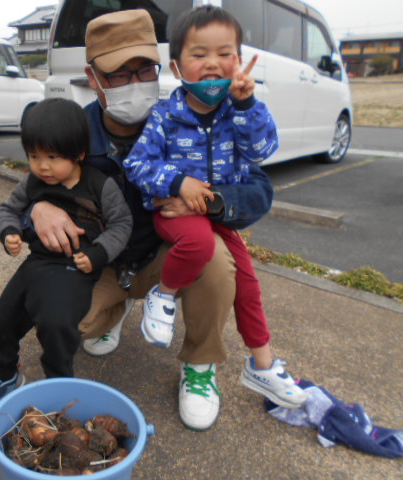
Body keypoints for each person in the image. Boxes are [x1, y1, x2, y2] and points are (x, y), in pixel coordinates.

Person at [29, 9, 274, 431]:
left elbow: (258, 185)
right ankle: (117, 309)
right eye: (118, 75)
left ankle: (199, 366)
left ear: (163, 70)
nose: (134, 84)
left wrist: (210, 202)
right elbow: (36, 174)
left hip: (165, 255)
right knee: (65, 320)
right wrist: (37, 205)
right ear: (93, 78)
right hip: (103, 263)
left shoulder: (189, 117)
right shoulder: (74, 131)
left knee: (215, 256)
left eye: (144, 71)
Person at [123, 5, 306, 409]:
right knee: (199, 245)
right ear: (176, 66)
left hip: (216, 215)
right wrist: (178, 181)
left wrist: (246, 105)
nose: (212, 64)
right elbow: (137, 164)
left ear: (239, 60)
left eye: (225, 53)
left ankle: (263, 364)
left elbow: (263, 149)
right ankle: (163, 295)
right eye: (199, 54)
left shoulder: (239, 111)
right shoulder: (165, 116)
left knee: (249, 286)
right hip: (173, 212)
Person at [0, 98, 132, 419]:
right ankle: (6, 374)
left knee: (56, 322)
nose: (42, 166)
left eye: (51, 157)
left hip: (77, 268)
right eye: (33, 156)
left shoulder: (99, 185)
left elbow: (122, 224)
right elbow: (9, 208)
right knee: (4, 313)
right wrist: (9, 232)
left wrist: (98, 254)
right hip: (37, 263)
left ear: (79, 153)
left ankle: (59, 383)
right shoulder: (33, 182)